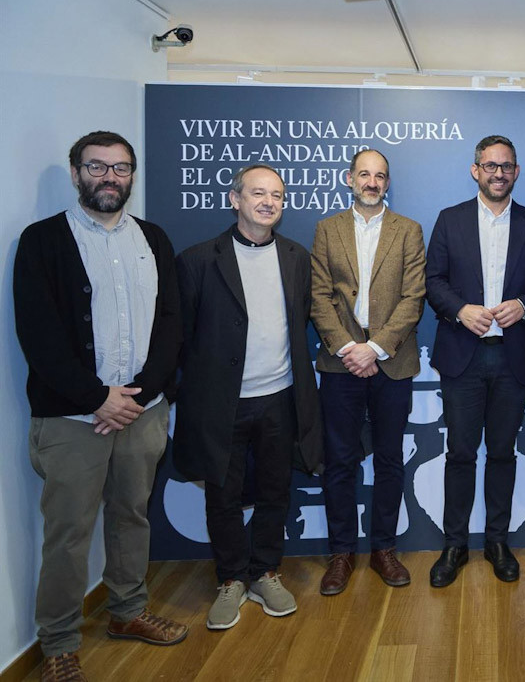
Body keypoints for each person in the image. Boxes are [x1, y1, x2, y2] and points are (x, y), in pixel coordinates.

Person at [13, 131, 188, 680]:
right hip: (72, 419)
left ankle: (128, 612)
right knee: (67, 533)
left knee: (131, 517)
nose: (110, 178)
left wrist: (135, 396)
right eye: (97, 167)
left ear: (132, 175)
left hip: (141, 411)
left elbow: (170, 324)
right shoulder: (43, 241)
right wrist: (98, 398)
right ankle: (59, 642)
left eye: (120, 168)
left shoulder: (153, 238)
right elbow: (38, 336)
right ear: (75, 173)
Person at [174, 164, 323, 630]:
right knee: (223, 494)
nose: (268, 201)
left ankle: (264, 571)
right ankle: (231, 579)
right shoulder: (198, 260)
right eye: (257, 193)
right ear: (235, 199)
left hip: (280, 397)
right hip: (222, 404)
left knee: (276, 491)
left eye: (276, 195)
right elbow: (182, 337)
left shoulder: (298, 257)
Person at [424, 135, 525, 586]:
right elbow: (433, 280)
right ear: (475, 170)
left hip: (513, 358)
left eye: (506, 166)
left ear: (516, 172)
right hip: (462, 357)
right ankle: (454, 544)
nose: (498, 173)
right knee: (460, 454)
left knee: (503, 453)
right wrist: (460, 310)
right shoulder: (450, 220)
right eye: (490, 165)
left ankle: (497, 541)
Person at [310, 149, 426, 592]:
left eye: (380, 176)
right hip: (339, 364)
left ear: (387, 182)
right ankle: (341, 553)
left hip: (392, 362)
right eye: (364, 174)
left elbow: (413, 298)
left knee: (390, 460)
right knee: (340, 461)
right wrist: (347, 348)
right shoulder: (327, 230)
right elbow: (319, 296)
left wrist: (375, 348)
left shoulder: (409, 231)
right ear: (349, 179)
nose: (372, 182)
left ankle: (383, 549)